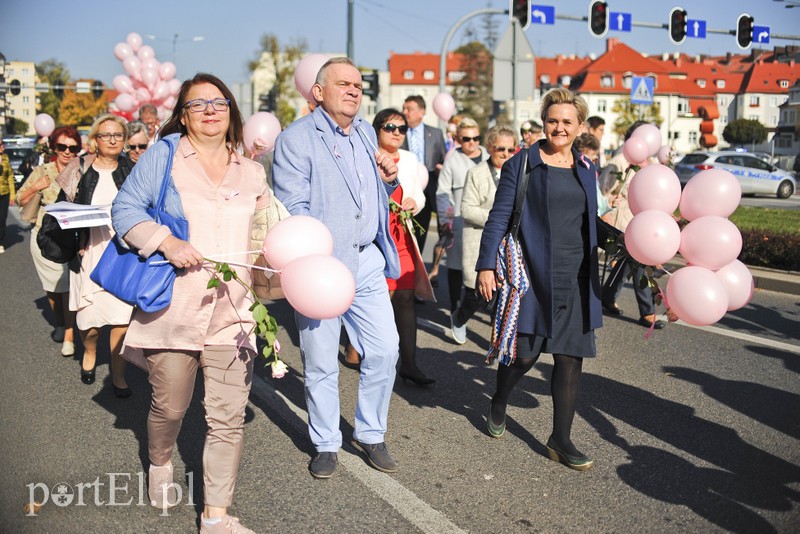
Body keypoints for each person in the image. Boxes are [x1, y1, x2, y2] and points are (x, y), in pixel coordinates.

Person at [113, 73, 266, 534]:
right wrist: (165, 242)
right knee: (171, 408)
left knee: (227, 420)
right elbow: (125, 211)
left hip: (233, 315)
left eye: (219, 102)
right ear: (183, 115)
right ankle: (159, 459)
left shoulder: (253, 170)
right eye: (198, 105)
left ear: (232, 111)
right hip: (174, 309)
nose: (210, 111)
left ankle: (215, 516)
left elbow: (264, 234)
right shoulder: (164, 156)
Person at [273, 57, 401, 479]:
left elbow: (370, 192)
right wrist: (315, 257)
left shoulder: (365, 131)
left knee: (384, 349)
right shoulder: (296, 139)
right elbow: (293, 207)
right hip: (319, 267)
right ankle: (326, 442)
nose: (353, 90)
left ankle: (369, 432)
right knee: (322, 359)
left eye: (358, 85)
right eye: (343, 84)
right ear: (318, 91)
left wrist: (386, 178)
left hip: (366, 260)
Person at [476, 88, 616, 471]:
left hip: (577, 276)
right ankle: (500, 399)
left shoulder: (586, 169)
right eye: (552, 120)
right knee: (525, 354)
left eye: (567, 122)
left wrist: (623, 240)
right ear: (544, 123)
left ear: (579, 126)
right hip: (532, 274)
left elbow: (588, 220)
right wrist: (485, 266)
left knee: (570, 359)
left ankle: (561, 438)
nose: (559, 127)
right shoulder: (521, 164)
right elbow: (499, 218)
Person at [55, 114, 134, 392]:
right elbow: (60, 211)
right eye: (106, 135)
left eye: (118, 135)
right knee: (89, 323)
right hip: (89, 250)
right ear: (95, 141)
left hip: (124, 253)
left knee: (122, 321)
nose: (112, 140)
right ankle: (89, 351)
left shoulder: (132, 169)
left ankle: (118, 373)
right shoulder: (78, 170)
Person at [371, 108, 432, 386]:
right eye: (390, 127)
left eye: (402, 128)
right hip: (374, 238)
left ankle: (409, 364)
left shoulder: (408, 159)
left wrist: (413, 203)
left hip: (402, 236)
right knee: (376, 301)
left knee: (406, 300)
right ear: (377, 129)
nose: (397, 132)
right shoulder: (366, 154)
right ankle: (367, 355)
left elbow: (418, 193)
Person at [16, 127, 81, 355]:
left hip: (72, 238)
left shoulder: (83, 171)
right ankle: (61, 324)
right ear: (54, 147)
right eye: (62, 147)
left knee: (68, 289)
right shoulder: (41, 171)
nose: (67, 152)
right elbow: (19, 198)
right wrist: (36, 186)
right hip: (44, 237)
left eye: (72, 148)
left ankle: (69, 337)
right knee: (52, 289)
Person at [450, 125, 517, 344]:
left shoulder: (518, 172)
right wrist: (499, 218)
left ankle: (498, 339)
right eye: (500, 149)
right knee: (476, 293)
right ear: (489, 147)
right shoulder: (476, 173)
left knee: (502, 294)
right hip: (479, 240)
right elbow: (467, 209)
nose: (505, 154)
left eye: (510, 149)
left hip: (507, 245)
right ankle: (459, 319)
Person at [599, 121, 665, 330]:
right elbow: (602, 191)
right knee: (639, 263)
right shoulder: (619, 162)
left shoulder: (654, 164)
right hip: (623, 224)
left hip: (645, 223)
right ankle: (647, 312)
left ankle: (607, 296)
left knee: (630, 262)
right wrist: (604, 217)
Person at [436, 117, 488, 319]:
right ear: (458, 138)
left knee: (485, 264)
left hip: (486, 219)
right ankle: (455, 307)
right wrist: (445, 220)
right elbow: (442, 193)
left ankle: (483, 304)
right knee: (457, 264)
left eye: (476, 137)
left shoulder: (488, 156)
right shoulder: (452, 161)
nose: (472, 142)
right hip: (458, 219)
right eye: (466, 138)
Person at [401, 95, 446, 255]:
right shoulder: (400, 131)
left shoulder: (435, 133)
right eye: (404, 108)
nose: (405, 112)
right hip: (407, 188)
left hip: (430, 189)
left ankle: (425, 268)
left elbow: (442, 158)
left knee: (427, 231)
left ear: (421, 112)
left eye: (410, 109)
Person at [0, 139, 15, 254]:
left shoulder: (5, 158)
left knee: (2, 219)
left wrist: (12, 195)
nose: (2, 146)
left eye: (2, 144)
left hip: (4, 193)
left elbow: (10, 176)